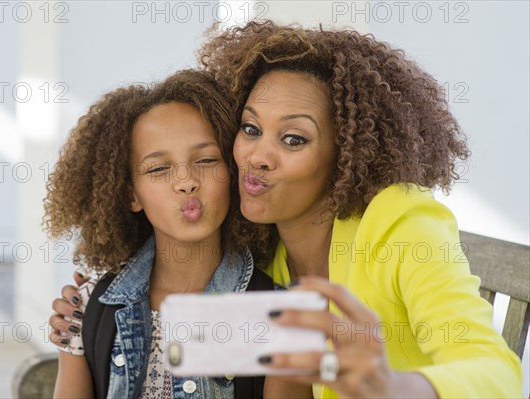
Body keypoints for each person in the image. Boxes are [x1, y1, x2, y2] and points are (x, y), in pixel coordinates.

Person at [51, 20, 523, 398]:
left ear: (346, 154)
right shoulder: (261, 250)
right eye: (251, 129)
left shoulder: (400, 222)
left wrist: (394, 387)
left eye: (294, 139)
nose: (257, 156)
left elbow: (495, 372)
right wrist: (88, 314)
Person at [43, 69, 306, 399]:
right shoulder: (86, 310)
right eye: (158, 168)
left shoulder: (283, 318)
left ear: (233, 171)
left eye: (207, 159)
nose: (186, 180)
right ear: (130, 195)